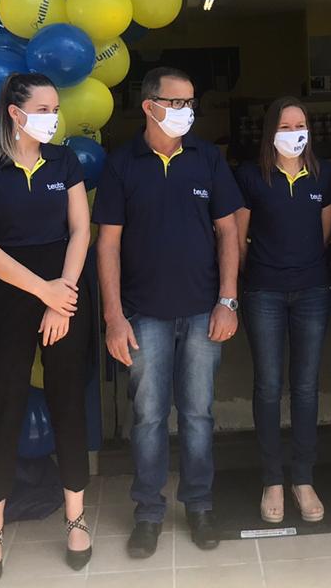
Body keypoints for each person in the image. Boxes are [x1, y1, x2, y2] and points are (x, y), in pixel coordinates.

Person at [93, 67, 243, 559]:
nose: (186, 111)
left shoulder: (207, 158)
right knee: (149, 417)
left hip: (203, 312)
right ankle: (148, 513)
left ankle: (199, 505)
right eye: (176, 102)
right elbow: (107, 244)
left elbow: (228, 231)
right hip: (143, 315)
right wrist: (114, 318)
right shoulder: (122, 164)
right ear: (149, 105)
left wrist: (228, 300)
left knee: (198, 414)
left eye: (190, 102)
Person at [0, 73, 94, 583]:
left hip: (66, 294)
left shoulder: (65, 161)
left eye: (56, 109)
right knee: (4, 408)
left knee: (67, 404)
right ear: (15, 114)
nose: (53, 118)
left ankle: (76, 518)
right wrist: (44, 292)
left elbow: (80, 229)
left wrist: (63, 296)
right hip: (12, 298)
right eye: (43, 109)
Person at [233, 97, 331, 524]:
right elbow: (238, 239)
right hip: (264, 292)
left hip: (312, 290)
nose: (295, 133)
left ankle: (303, 478)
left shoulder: (323, 175)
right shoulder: (250, 176)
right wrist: (257, 274)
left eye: (300, 125)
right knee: (268, 386)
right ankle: (272, 479)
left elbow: (324, 234)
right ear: (270, 132)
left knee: (307, 386)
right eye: (285, 126)